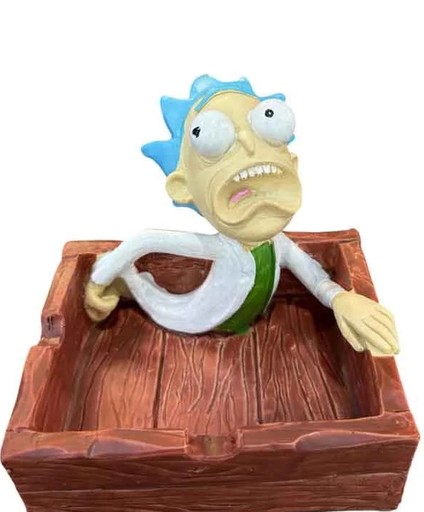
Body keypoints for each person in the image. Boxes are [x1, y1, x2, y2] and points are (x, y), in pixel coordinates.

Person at [85, 75, 398, 356]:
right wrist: (99, 278)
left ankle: (129, 282)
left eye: (269, 122)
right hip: (190, 320)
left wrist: (340, 299)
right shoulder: (220, 248)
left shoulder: (279, 244)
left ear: (293, 164)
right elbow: (145, 240)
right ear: (183, 188)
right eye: (211, 136)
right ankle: (129, 282)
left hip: (254, 332)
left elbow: (315, 279)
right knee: (154, 299)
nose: (248, 144)